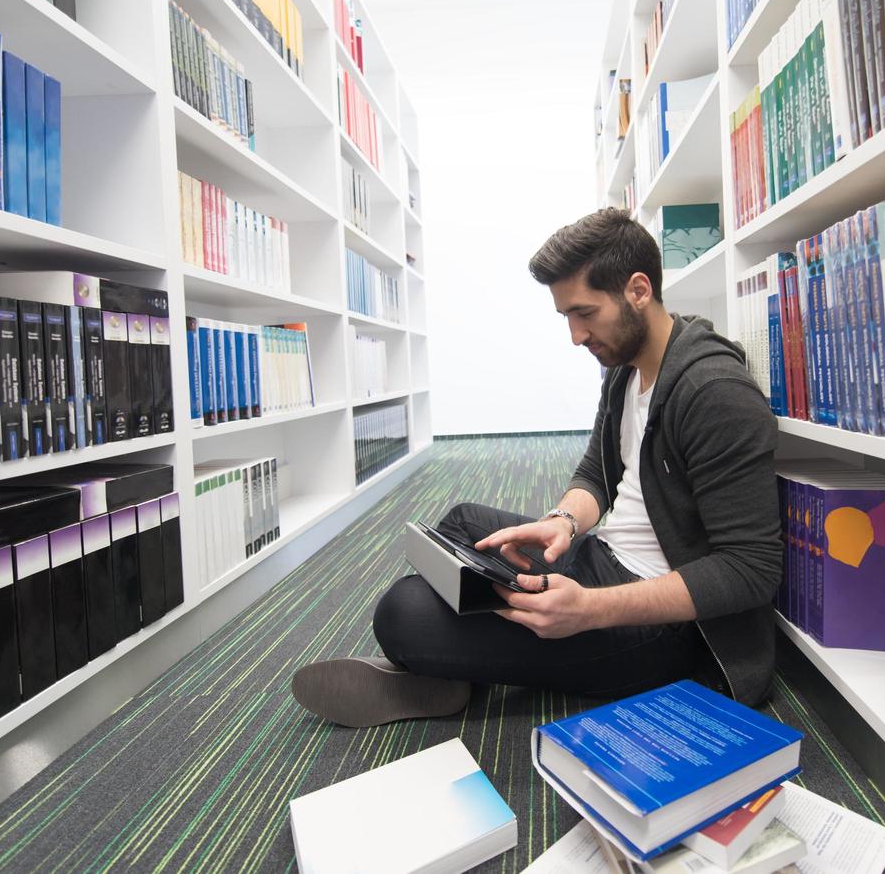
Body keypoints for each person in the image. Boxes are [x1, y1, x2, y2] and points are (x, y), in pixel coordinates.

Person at [290, 208, 783, 728]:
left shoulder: (715, 393)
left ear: (638, 290)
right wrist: (562, 522)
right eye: (566, 317)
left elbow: (750, 570)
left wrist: (590, 611)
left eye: (585, 313)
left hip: (663, 628)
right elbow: (597, 472)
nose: (575, 336)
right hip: (605, 561)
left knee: (402, 612)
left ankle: (442, 670)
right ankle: (457, 663)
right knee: (462, 528)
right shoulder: (626, 367)